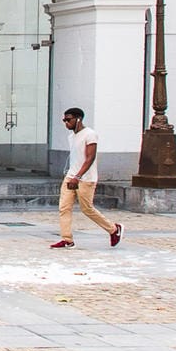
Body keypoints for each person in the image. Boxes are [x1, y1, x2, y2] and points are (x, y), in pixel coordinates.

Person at [50, 106, 122, 250]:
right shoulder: (71, 136)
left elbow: (90, 158)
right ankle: (67, 239)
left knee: (87, 208)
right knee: (64, 208)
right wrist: (71, 175)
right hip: (71, 176)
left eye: (68, 120)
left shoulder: (90, 134)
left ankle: (114, 229)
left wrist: (78, 176)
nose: (66, 123)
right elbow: (75, 158)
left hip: (85, 178)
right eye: (64, 120)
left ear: (78, 119)